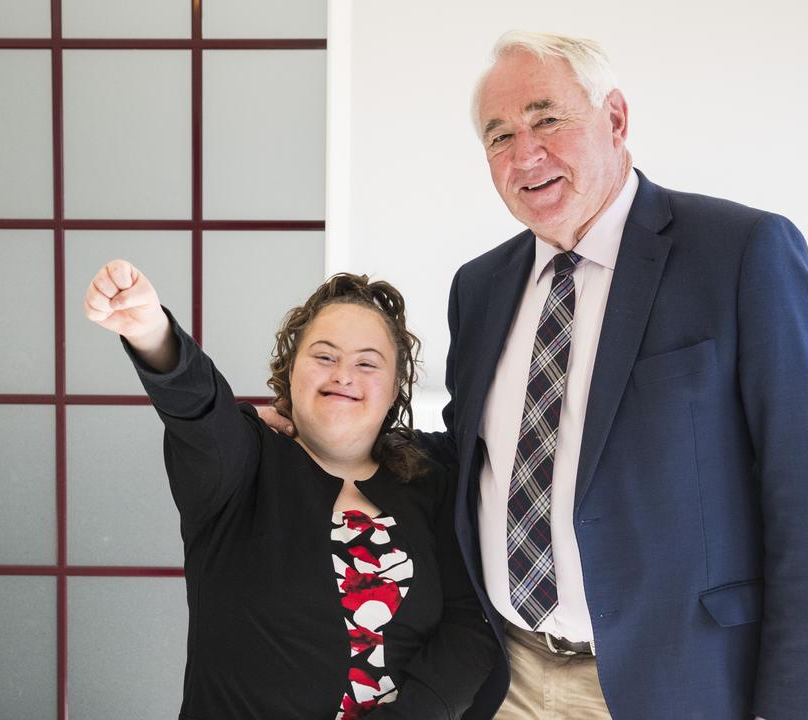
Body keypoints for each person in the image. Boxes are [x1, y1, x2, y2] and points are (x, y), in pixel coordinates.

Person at [260, 30, 808, 720]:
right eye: (499, 136)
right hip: (507, 677)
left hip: (678, 684)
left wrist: (802, 706)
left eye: (547, 119)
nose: (525, 154)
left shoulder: (741, 255)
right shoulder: (481, 286)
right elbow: (478, 457)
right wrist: (333, 433)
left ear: (615, 119)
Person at [83, 260, 500, 719]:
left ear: (395, 386)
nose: (344, 374)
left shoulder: (428, 483)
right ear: (290, 367)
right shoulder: (243, 463)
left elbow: (468, 630)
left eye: (367, 363)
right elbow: (200, 409)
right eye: (324, 356)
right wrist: (152, 332)